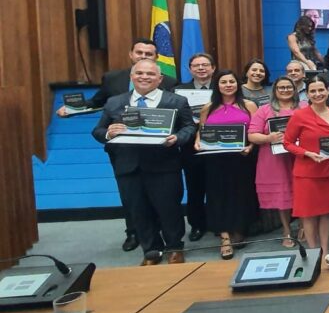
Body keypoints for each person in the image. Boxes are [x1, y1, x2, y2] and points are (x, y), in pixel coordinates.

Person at [92, 59, 195, 264]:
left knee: (169, 209)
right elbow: (97, 131)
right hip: (128, 166)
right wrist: (109, 133)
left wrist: (177, 138)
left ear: (160, 78)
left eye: (150, 74)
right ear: (132, 77)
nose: (144, 77)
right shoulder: (114, 102)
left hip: (164, 165)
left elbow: (189, 128)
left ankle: (174, 247)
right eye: (139, 73)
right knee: (138, 210)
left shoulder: (176, 101)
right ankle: (151, 250)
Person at [196, 70, 259, 258]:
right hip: (215, 159)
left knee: (241, 194)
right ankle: (224, 236)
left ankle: (239, 228)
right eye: (224, 82)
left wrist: (251, 146)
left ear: (238, 84)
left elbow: (257, 130)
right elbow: (201, 130)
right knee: (218, 195)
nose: (228, 85)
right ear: (217, 85)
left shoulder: (249, 105)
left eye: (232, 81)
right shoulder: (208, 107)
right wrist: (198, 142)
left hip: (242, 158)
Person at [283, 76, 329, 252]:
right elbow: (287, 143)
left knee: (326, 213)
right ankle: (312, 252)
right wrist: (306, 153)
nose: (318, 94)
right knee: (309, 215)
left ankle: (325, 251)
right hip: (307, 173)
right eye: (313, 91)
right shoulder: (299, 115)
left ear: (327, 91)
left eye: (321, 90)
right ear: (307, 94)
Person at [247, 77, 301, 246]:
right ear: (275, 91)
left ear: (295, 89)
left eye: (288, 87)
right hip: (274, 159)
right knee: (282, 194)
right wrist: (268, 137)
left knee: (303, 191)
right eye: (281, 87)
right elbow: (252, 134)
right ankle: (286, 230)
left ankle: (303, 225)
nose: (285, 90)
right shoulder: (264, 110)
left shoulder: (305, 107)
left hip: (300, 156)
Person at [176, 52, 216, 242]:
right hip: (191, 147)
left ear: (213, 68)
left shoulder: (222, 87)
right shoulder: (179, 91)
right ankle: (197, 225)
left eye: (205, 65)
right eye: (196, 65)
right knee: (195, 188)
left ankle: (219, 223)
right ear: (190, 69)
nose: (201, 68)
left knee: (218, 187)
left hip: (218, 145)